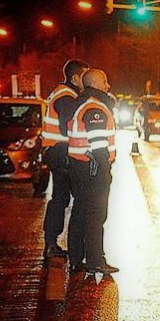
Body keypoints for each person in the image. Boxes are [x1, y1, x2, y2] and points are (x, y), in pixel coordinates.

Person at [67, 69, 119, 275]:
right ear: (96, 84)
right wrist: (106, 171)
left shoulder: (81, 103)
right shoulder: (96, 108)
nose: (108, 86)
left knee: (80, 213)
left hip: (79, 166)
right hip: (92, 168)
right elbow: (99, 145)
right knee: (96, 215)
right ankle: (96, 260)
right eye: (105, 82)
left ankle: (77, 258)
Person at [41, 59, 90, 259]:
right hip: (61, 152)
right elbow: (67, 127)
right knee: (64, 198)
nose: (86, 81)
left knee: (60, 198)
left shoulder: (63, 93)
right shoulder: (66, 96)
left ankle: (52, 243)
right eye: (84, 77)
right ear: (75, 77)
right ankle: (54, 244)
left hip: (56, 151)